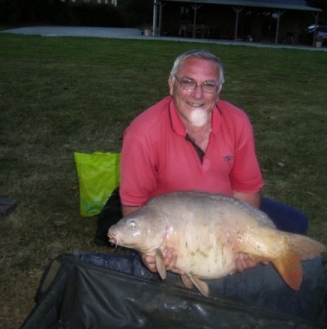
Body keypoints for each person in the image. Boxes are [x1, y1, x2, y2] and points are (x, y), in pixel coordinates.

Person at [116, 49, 309, 276]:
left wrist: (242, 241)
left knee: (295, 224)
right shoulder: (141, 134)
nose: (197, 94)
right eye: (187, 82)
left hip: (222, 213)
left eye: (208, 85)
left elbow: (246, 189)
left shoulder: (237, 121)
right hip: (174, 223)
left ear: (218, 90)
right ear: (171, 84)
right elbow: (134, 205)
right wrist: (147, 254)